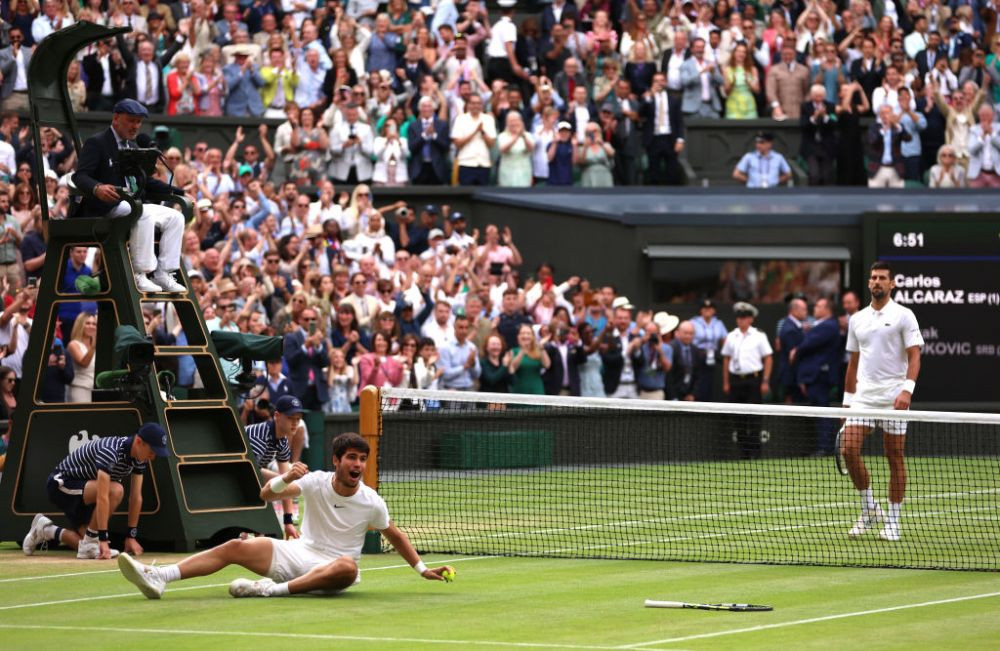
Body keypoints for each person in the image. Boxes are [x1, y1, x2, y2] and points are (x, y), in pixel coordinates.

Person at [117, 432, 454, 598]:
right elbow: (266, 495)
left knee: (350, 567)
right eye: (351, 457)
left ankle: (270, 590)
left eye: (362, 459)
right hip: (298, 552)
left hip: (334, 568)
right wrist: (287, 477)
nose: (358, 465)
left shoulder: (372, 501)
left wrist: (422, 569)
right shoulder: (315, 482)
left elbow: (393, 534)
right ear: (337, 460)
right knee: (236, 545)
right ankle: (161, 578)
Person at [842, 261, 924, 543]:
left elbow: (915, 356)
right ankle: (868, 509)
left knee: (894, 456)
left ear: (892, 284)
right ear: (869, 283)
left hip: (894, 397)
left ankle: (893, 522)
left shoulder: (904, 316)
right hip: (864, 398)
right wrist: (846, 401)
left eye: (882, 278)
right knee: (848, 450)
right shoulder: (857, 319)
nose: (877, 282)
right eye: (873, 277)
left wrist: (907, 391)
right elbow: (853, 363)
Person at [72, 99, 187, 294]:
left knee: (175, 217)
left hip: (132, 204)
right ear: (116, 118)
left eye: (138, 122)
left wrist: (180, 192)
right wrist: (97, 187)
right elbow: (80, 175)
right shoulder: (97, 143)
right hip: (105, 207)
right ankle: (140, 273)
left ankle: (164, 273)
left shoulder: (133, 146)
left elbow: (146, 181)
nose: (135, 126)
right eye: (131, 120)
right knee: (141, 212)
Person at [22, 423, 169, 560]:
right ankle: (92, 539)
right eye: (152, 451)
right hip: (61, 484)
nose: (153, 457)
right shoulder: (111, 451)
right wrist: (103, 539)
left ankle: (45, 529)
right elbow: (103, 496)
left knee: (86, 546)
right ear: (138, 442)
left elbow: (136, 497)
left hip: (87, 492)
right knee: (116, 490)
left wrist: (131, 536)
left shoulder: (139, 459)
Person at [246, 395, 307, 539]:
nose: (295, 423)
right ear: (277, 416)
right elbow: (249, 475)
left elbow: (286, 481)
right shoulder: (259, 437)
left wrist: (288, 522)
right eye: (291, 418)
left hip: (248, 473)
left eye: (298, 419)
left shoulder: (283, 441)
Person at [721, 302, 773, 459]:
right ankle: (743, 453)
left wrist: (765, 380)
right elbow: (726, 360)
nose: (741, 320)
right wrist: (726, 382)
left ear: (751, 319)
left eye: (744, 317)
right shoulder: (731, 336)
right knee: (739, 418)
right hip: (736, 381)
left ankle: (756, 453)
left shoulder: (759, 335)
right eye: (739, 317)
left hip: (753, 380)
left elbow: (768, 358)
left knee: (755, 417)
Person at [790, 297, 841, 455]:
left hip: (820, 376)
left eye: (818, 306)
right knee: (819, 412)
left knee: (823, 412)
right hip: (813, 376)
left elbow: (809, 343)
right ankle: (824, 446)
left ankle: (826, 448)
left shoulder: (829, 325)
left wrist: (796, 351)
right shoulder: (821, 325)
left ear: (827, 309)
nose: (814, 309)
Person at [507, 324, 550, 395]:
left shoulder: (538, 350)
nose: (525, 336)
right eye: (523, 333)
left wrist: (541, 347)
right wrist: (522, 351)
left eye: (528, 333)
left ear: (533, 336)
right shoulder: (513, 351)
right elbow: (512, 369)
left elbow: (547, 365)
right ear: (518, 336)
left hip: (536, 390)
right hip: (519, 390)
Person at [667, 320, 705, 401]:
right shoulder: (671, 348)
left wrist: (692, 394)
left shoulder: (695, 350)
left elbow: (697, 375)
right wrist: (672, 396)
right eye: (685, 333)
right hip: (672, 394)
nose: (688, 336)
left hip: (688, 395)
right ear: (678, 333)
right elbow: (668, 375)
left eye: (691, 333)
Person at [66, 311, 97, 403]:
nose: (91, 326)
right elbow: (84, 363)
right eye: (87, 323)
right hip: (80, 389)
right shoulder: (74, 344)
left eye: (94, 324)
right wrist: (94, 344)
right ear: (80, 325)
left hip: (95, 389)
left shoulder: (95, 346)